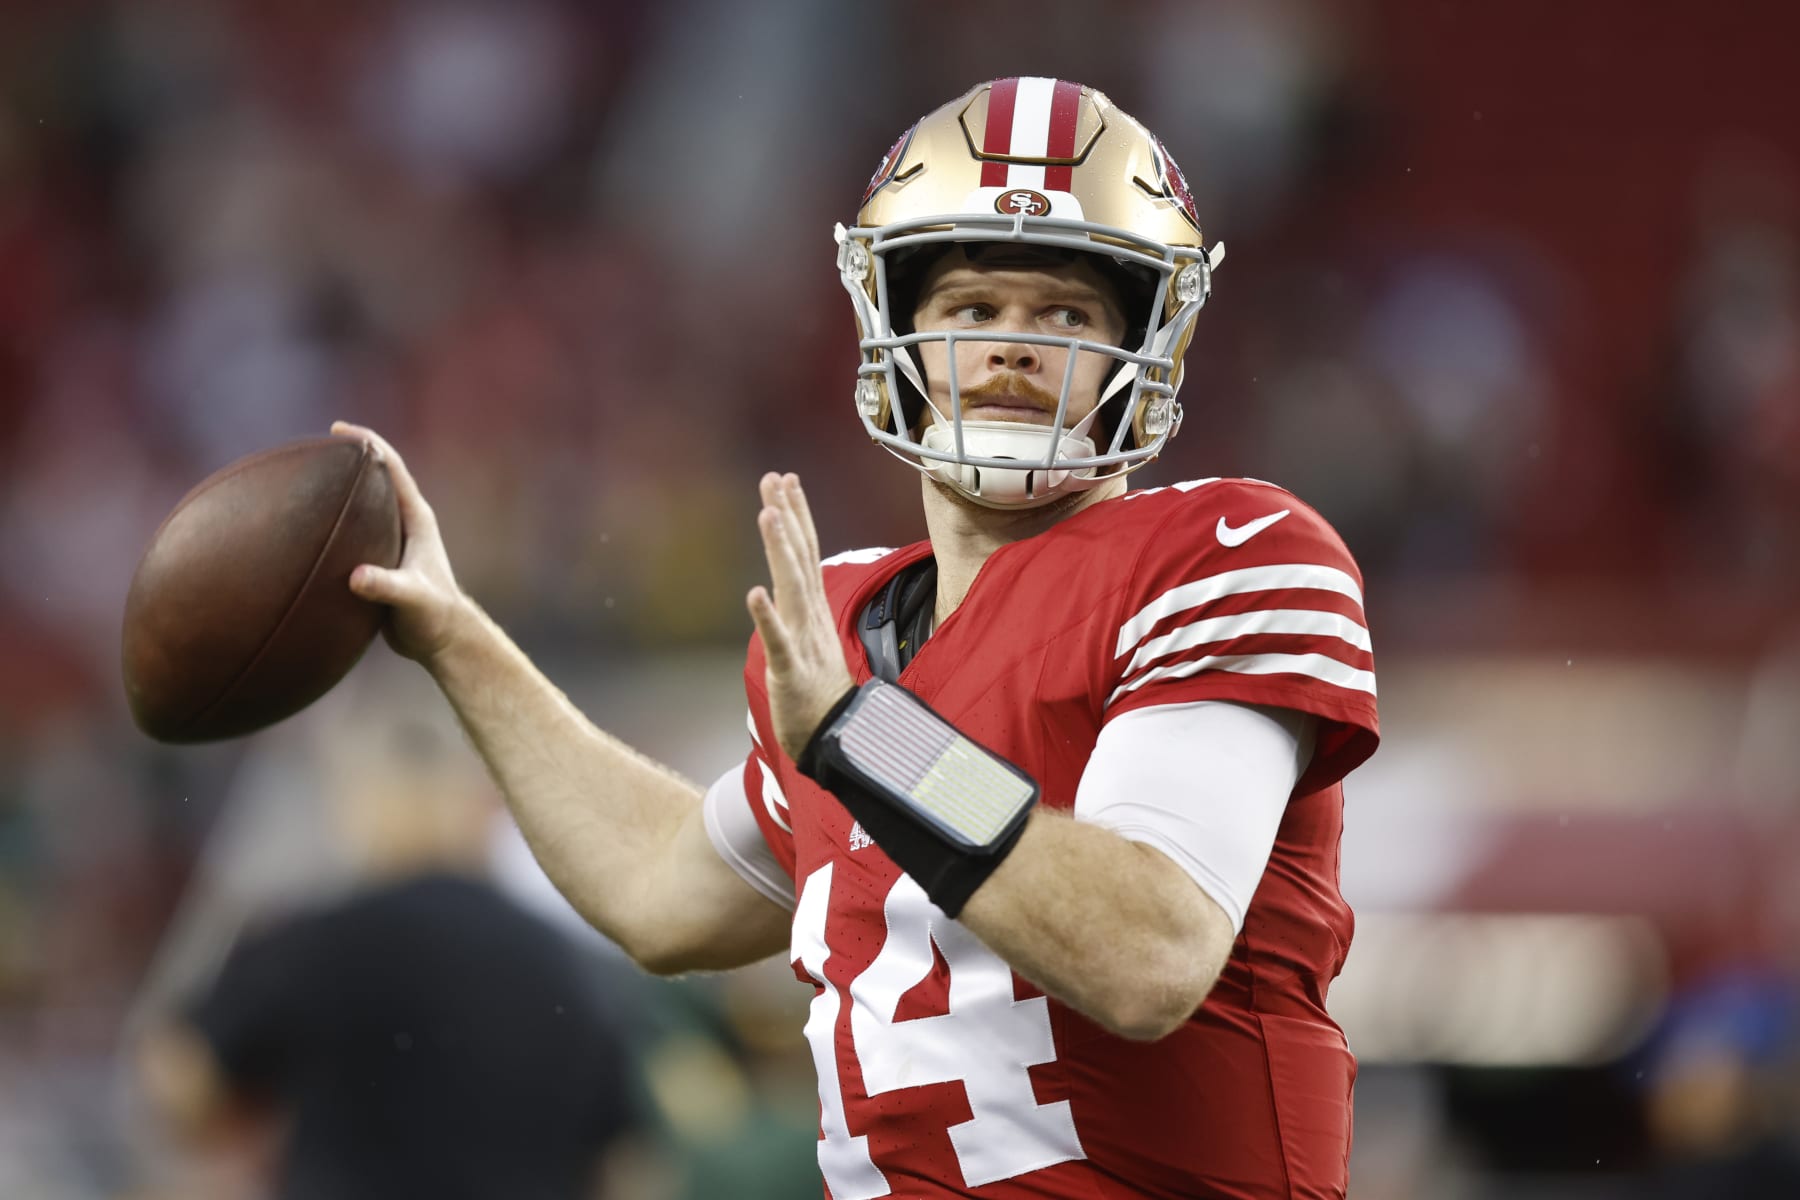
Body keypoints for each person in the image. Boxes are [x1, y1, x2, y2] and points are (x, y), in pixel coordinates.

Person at [334, 76, 1380, 1199]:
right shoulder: (845, 626)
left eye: (1066, 314)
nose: (1015, 350)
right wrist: (454, 634)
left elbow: (1148, 952)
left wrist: (863, 737)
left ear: (1150, 344)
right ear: (900, 333)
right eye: (974, 310)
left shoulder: (1228, 552)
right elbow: (657, 888)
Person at [135, 714, 644, 1200]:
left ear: (368, 800)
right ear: (476, 805)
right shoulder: (571, 962)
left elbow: (181, 1080)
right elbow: (624, 1164)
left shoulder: (323, 940)